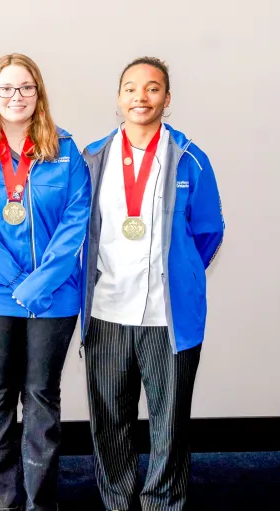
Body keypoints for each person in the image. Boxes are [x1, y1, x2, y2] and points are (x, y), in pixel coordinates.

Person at [80, 56, 225, 511]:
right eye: (130, 88)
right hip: (106, 310)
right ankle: (119, 502)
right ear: (118, 98)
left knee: (170, 422)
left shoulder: (190, 158)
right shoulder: (92, 157)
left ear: (167, 98)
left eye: (152, 88)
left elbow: (208, 231)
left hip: (169, 316)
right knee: (109, 420)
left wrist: (178, 273)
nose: (140, 97)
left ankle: (163, 502)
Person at [0, 53, 91, 511]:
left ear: (39, 93)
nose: (16, 96)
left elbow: (76, 222)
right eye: (6, 88)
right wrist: (17, 282)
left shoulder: (66, 150)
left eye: (26, 87)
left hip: (53, 297)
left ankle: (39, 502)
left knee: (42, 398)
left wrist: (39, 283)